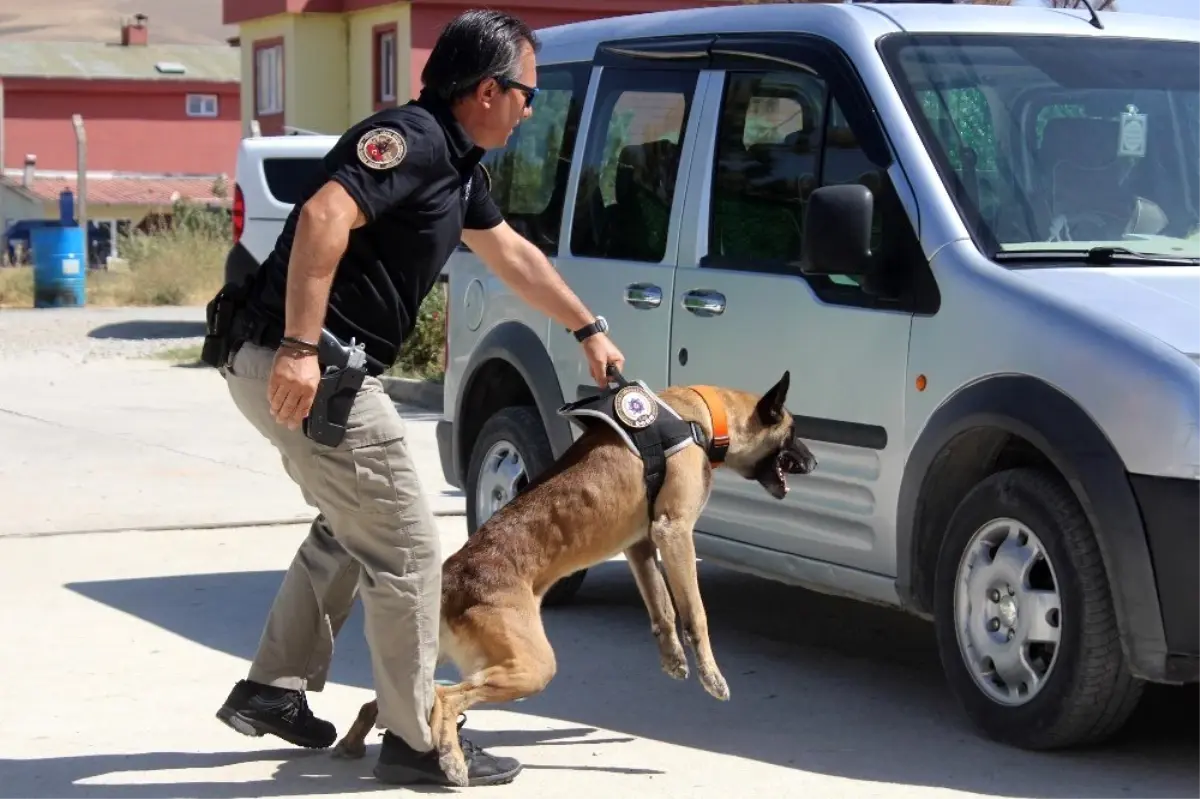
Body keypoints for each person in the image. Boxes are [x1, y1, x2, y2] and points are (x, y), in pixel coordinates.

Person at [210, 9, 625, 788]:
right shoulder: (414, 139)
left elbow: (511, 254)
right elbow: (326, 213)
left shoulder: (459, 163)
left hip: (296, 362)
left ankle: (272, 686)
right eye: (526, 93)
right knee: (406, 548)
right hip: (303, 362)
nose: (531, 108)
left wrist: (588, 330)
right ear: (486, 90)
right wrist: (301, 346)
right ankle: (416, 738)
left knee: (353, 527)